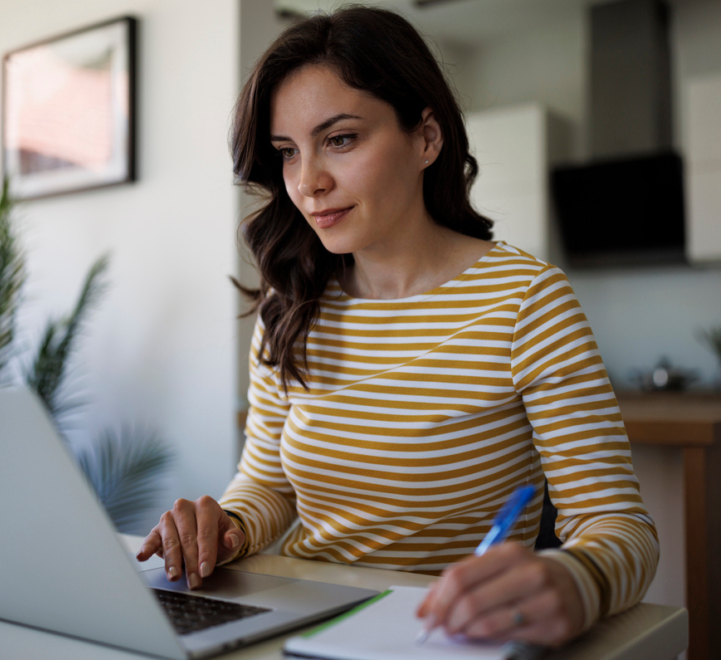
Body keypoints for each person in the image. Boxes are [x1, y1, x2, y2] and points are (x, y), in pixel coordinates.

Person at [137, 6, 658, 648]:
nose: (308, 183)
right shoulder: (292, 303)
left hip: (442, 636)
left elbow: (618, 526)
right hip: (297, 620)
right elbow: (269, 484)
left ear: (426, 139)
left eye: (341, 139)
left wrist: (574, 581)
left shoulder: (526, 301)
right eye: (287, 153)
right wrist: (229, 525)